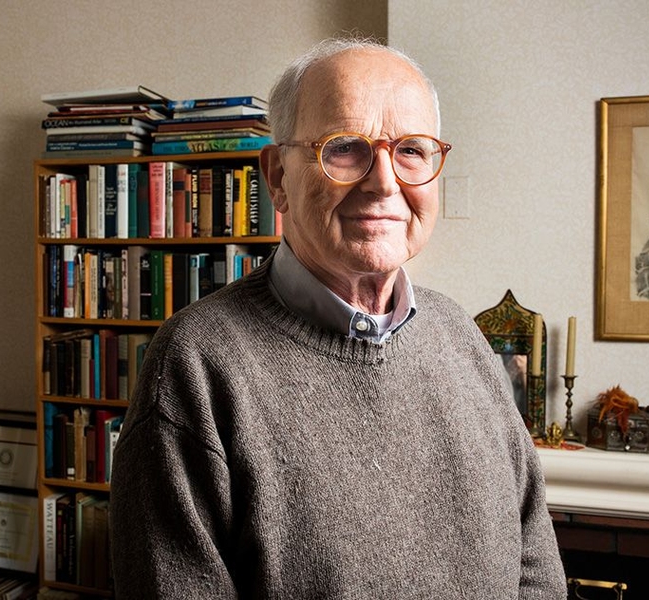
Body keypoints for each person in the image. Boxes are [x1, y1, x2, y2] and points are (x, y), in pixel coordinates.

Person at [109, 37, 567, 599]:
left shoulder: (463, 337)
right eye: (345, 147)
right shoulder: (195, 367)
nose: (383, 182)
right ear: (277, 176)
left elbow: (534, 561)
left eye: (412, 151)